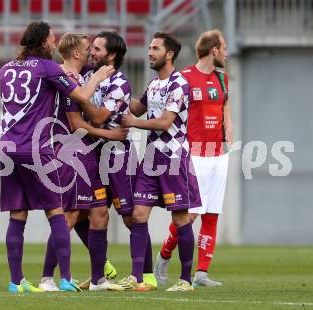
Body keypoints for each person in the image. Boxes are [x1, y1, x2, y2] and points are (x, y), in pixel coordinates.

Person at [0, 21, 114, 293]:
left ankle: (16, 282)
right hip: (36, 148)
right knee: (57, 212)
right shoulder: (47, 68)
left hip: (7, 147)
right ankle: (63, 278)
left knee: (17, 215)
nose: (55, 43)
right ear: (42, 42)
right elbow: (82, 95)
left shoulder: (5, 69)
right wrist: (97, 78)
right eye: (51, 39)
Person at [38, 32, 126, 291]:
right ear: (77, 53)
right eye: (89, 48)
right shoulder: (66, 79)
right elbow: (77, 124)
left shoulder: (80, 74)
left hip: (88, 154)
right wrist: (111, 133)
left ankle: (99, 279)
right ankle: (46, 278)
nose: (91, 53)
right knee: (70, 215)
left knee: (99, 213)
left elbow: (100, 69)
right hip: (71, 152)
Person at [76, 30, 157, 290]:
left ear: (111, 55)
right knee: (92, 214)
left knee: (131, 217)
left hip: (117, 155)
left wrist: (79, 100)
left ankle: (147, 275)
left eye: (98, 49)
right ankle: (100, 274)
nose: (92, 52)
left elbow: (99, 118)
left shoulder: (119, 83)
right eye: (92, 48)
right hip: (91, 152)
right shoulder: (87, 75)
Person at [121, 32, 201, 292]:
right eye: (149, 47)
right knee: (138, 214)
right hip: (152, 158)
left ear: (169, 54)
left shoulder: (179, 84)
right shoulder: (155, 83)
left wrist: (133, 123)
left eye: (155, 48)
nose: (149, 52)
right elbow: (137, 108)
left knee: (181, 219)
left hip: (174, 158)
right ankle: (138, 278)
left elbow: (165, 123)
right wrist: (114, 90)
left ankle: (186, 280)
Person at [153, 29, 232, 287]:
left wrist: (228, 139)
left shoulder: (223, 79)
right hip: (193, 154)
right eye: (225, 47)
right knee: (189, 215)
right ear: (215, 50)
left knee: (212, 214)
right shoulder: (185, 78)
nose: (227, 53)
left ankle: (201, 274)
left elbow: (225, 109)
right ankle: (164, 256)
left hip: (218, 155)